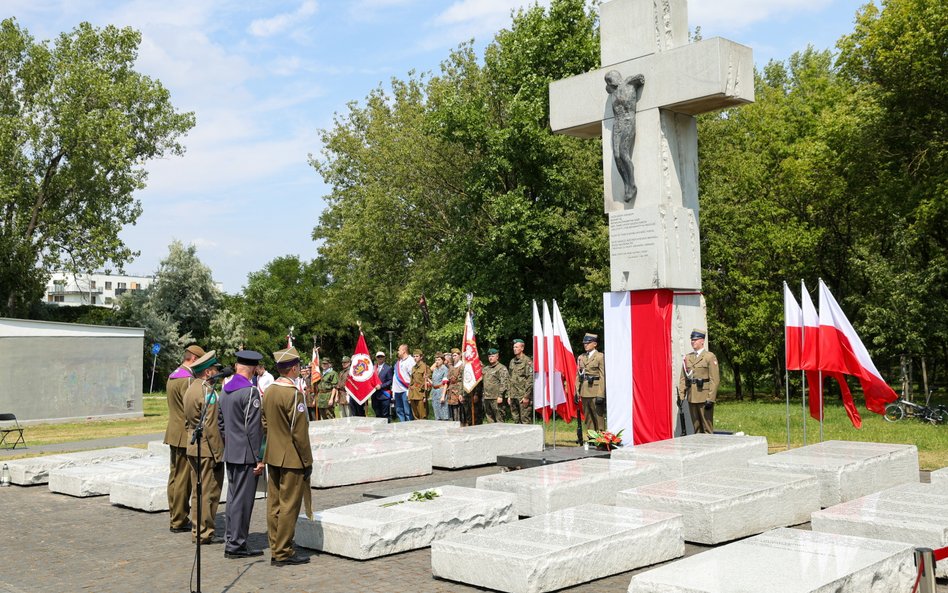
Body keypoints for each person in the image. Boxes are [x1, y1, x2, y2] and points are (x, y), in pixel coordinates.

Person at [261, 347, 312, 566]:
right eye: (299, 367)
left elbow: (264, 422)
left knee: (274, 504)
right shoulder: (294, 394)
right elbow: (299, 433)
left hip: (272, 453)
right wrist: (307, 460)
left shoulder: (270, 390)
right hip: (291, 457)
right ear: (293, 369)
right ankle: (283, 551)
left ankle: (276, 545)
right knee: (289, 505)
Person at [220, 350, 265, 559]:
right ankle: (237, 544)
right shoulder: (250, 392)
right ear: (254, 368)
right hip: (247, 454)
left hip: (231, 451)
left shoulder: (225, 390)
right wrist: (258, 457)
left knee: (232, 498)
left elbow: (221, 424)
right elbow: (253, 428)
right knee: (243, 500)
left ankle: (232, 538)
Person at [182, 350, 224, 544]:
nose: (216, 372)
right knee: (208, 491)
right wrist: (219, 453)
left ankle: (197, 529)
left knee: (197, 492)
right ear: (207, 372)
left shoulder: (190, 389)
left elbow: (187, 420)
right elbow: (211, 426)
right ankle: (204, 532)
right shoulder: (208, 392)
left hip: (192, 445)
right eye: (214, 369)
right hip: (207, 449)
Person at [164, 344, 204, 533]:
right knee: (183, 479)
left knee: (174, 476)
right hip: (183, 433)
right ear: (194, 359)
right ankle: (179, 519)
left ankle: (175, 513)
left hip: (173, 431)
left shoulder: (173, 375)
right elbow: (191, 409)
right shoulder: (188, 380)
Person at [605, 69, 645, 205]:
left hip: (628, 120)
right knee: (616, 155)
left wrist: (637, 79)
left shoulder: (629, 83)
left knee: (623, 152)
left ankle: (632, 185)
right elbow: (607, 89)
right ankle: (626, 185)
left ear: (616, 77)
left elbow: (640, 78)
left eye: (610, 80)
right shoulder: (612, 91)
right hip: (617, 124)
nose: (609, 83)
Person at [678, 329, 720, 434]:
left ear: (702, 341)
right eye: (692, 340)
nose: (693, 342)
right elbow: (683, 378)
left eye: (695, 340)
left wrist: (711, 399)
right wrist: (681, 396)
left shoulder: (709, 357)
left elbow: (715, 380)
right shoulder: (688, 357)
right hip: (692, 396)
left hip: (704, 397)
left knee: (707, 428)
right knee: (696, 428)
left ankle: (709, 448)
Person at [577, 333, 606, 433]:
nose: (585, 345)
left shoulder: (600, 357)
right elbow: (579, 375)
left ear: (594, 344)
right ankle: (591, 437)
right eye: (584, 343)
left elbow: (603, 376)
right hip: (584, 391)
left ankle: (601, 438)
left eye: (588, 343)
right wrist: (577, 391)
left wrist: (601, 394)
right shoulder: (581, 357)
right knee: (588, 417)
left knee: (598, 416)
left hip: (595, 390)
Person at [507, 339, 533, 424]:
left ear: (522, 348)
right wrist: (509, 395)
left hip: (523, 396)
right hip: (513, 396)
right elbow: (510, 379)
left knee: (525, 421)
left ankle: (528, 438)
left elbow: (530, 380)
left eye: (516, 347)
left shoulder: (527, 361)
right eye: (514, 347)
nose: (514, 349)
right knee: (516, 421)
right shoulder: (512, 361)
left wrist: (526, 397)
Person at [481, 348, 509, 423]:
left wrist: (500, 396)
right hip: (487, 397)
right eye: (489, 356)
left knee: (499, 419)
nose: (490, 358)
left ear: (497, 357)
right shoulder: (486, 369)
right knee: (490, 419)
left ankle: (501, 434)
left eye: (493, 356)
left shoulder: (501, 368)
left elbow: (504, 383)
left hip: (496, 398)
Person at [391, 344, 415, 422]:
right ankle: (402, 425)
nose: (398, 352)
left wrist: (410, 391)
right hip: (397, 390)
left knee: (407, 411)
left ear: (404, 351)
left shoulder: (410, 360)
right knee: (399, 410)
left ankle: (409, 427)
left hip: (405, 389)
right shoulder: (399, 361)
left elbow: (413, 377)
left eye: (399, 350)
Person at [408, 349, 430, 420]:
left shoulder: (425, 367)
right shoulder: (413, 368)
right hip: (413, 394)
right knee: (415, 416)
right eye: (414, 356)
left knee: (422, 415)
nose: (415, 358)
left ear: (421, 357)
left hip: (420, 394)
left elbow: (427, 383)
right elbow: (411, 383)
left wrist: (425, 396)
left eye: (417, 356)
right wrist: (409, 396)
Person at [372, 352, 393, 421]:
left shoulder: (388, 368)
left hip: (384, 395)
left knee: (385, 415)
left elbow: (390, 381)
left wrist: (381, 386)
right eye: (378, 357)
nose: (380, 358)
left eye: (381, 356)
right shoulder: (373, 368)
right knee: (377, 414)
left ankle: (386, 430)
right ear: (376, 358)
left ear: (384, 358)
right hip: (375, 395)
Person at [429, 353, 450, 421]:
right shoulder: (435, 369)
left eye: (439, 360)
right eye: (435, 360)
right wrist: (428, 379)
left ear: (443, 360)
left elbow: (445, 383)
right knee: (437, 414)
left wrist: (443, 396)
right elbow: (430, 369)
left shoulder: (445, 369)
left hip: (441, 392)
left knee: (444, 413)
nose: (437, 361)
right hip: (434, 392)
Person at [446, 348, 464, 422]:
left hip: (458, 390)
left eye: (455, 355)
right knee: (452, 412)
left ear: (459, 355)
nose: (454, 357)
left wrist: (461, 393)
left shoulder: (462, 365)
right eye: (453, 356)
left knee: (458, 411)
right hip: (451, 391)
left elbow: (462, 380)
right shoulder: (451, 366)